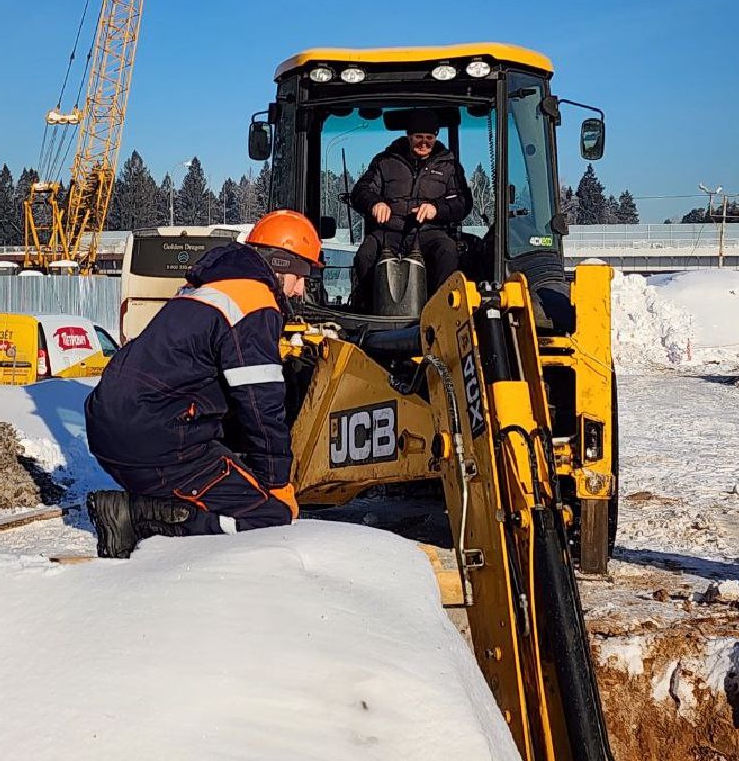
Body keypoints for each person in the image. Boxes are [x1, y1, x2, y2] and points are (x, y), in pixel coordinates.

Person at [84, 210, 322, 558]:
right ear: (280, 263)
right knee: (271, 515)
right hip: (156, 438)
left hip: (110, 430)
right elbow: (261, 406)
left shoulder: (207, 288)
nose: (300, 289)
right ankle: (139, 519)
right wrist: (277, 482)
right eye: (300, 276)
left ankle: (147, 507)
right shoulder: (255, 303)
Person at [349, 108, 473, 304]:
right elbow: (360, 191)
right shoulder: (385, 161)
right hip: (389, 232)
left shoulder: (449, 166)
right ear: (409, 136)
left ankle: (438, 307)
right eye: (419, 137)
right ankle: (367, 306)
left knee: (448, 251)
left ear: (435, 137)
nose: (424, 143)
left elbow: (463, 203)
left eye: (429, 137)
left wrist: (436, 209)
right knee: (365, 254)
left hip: (429, 232)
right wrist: (375, 203)